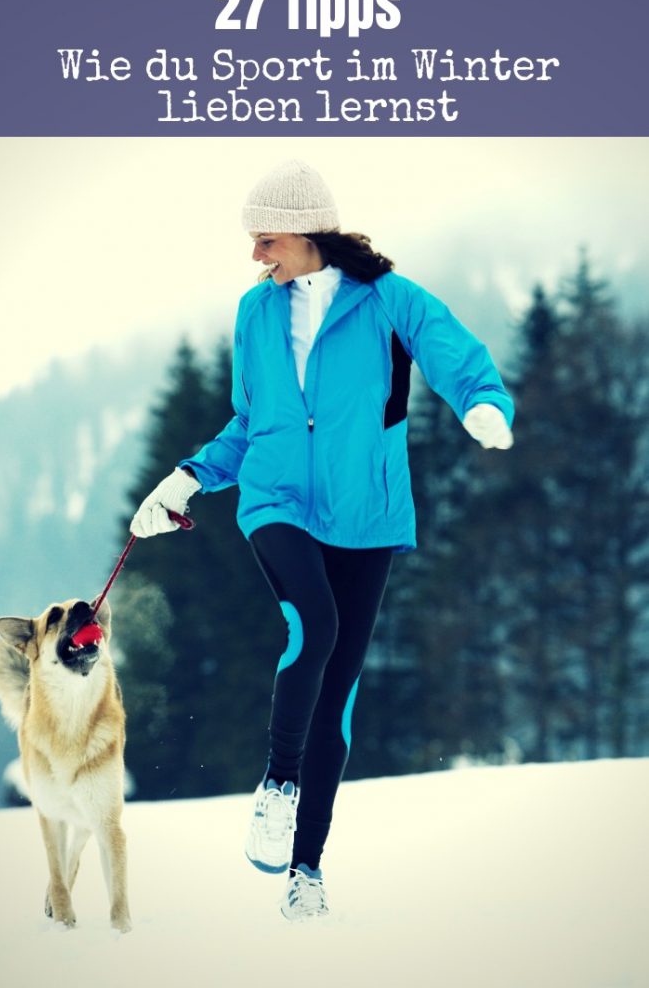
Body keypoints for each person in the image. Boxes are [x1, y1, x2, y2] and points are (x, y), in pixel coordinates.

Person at [130, 159, 514, 921]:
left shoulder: (387, 299)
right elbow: (248, 419)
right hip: (275, 498)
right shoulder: (255, 311)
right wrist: (185, 479)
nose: (255, 257)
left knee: (337, 690)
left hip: (364, 512)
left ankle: (305, 870)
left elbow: (452, 351)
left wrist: (482, 404)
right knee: (315, 624)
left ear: (306, 235)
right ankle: (277, 783)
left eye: (265, 239)